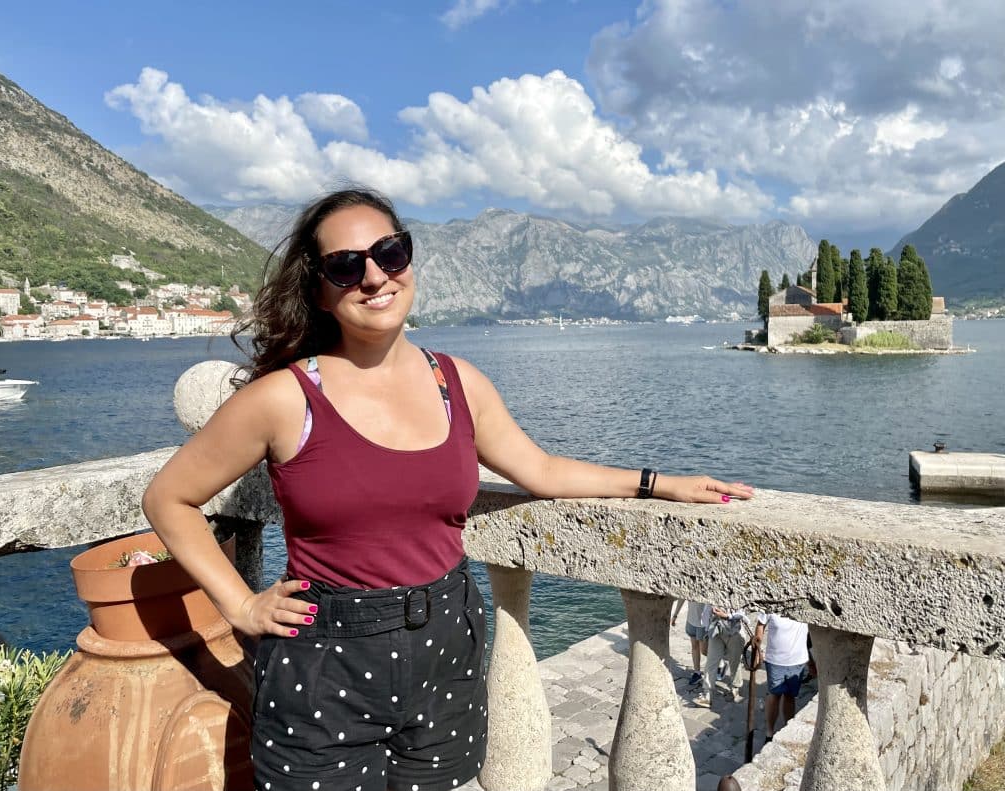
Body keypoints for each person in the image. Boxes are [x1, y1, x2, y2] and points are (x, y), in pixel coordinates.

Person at [142, 187, 754, 791]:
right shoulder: (284, 399)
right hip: (327, 658)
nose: (374, 277)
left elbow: (539, 470)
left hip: (447, 639)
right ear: (320, 290)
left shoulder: (456, 382)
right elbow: (169, 497)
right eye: (346, 265)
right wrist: (241, 605)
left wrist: (658, 483)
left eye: (390, 253)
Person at [754, 612, 810, 742]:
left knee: (790, 696)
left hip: (798, 661)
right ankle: (769, 732)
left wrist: (811, 660)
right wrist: (757, 651)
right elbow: (760, 625)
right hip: (775, 661)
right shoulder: (771, 605)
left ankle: (787, 727)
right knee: (774, 695)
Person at [694, 604, 749, 707]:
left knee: (734, 662)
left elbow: (743, 615)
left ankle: (735, 688)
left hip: (735, 632)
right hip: (716, 629)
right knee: (711, 662)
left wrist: (727, 616)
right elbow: (706, 610)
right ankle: (707, 694)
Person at [670, 599, 708, 687]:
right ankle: (697, 673)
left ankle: (720, 662)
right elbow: (681, 598)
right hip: (691, 620)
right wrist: (675, 615)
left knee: (704, 651)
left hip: (703, 623)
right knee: (694, 646)